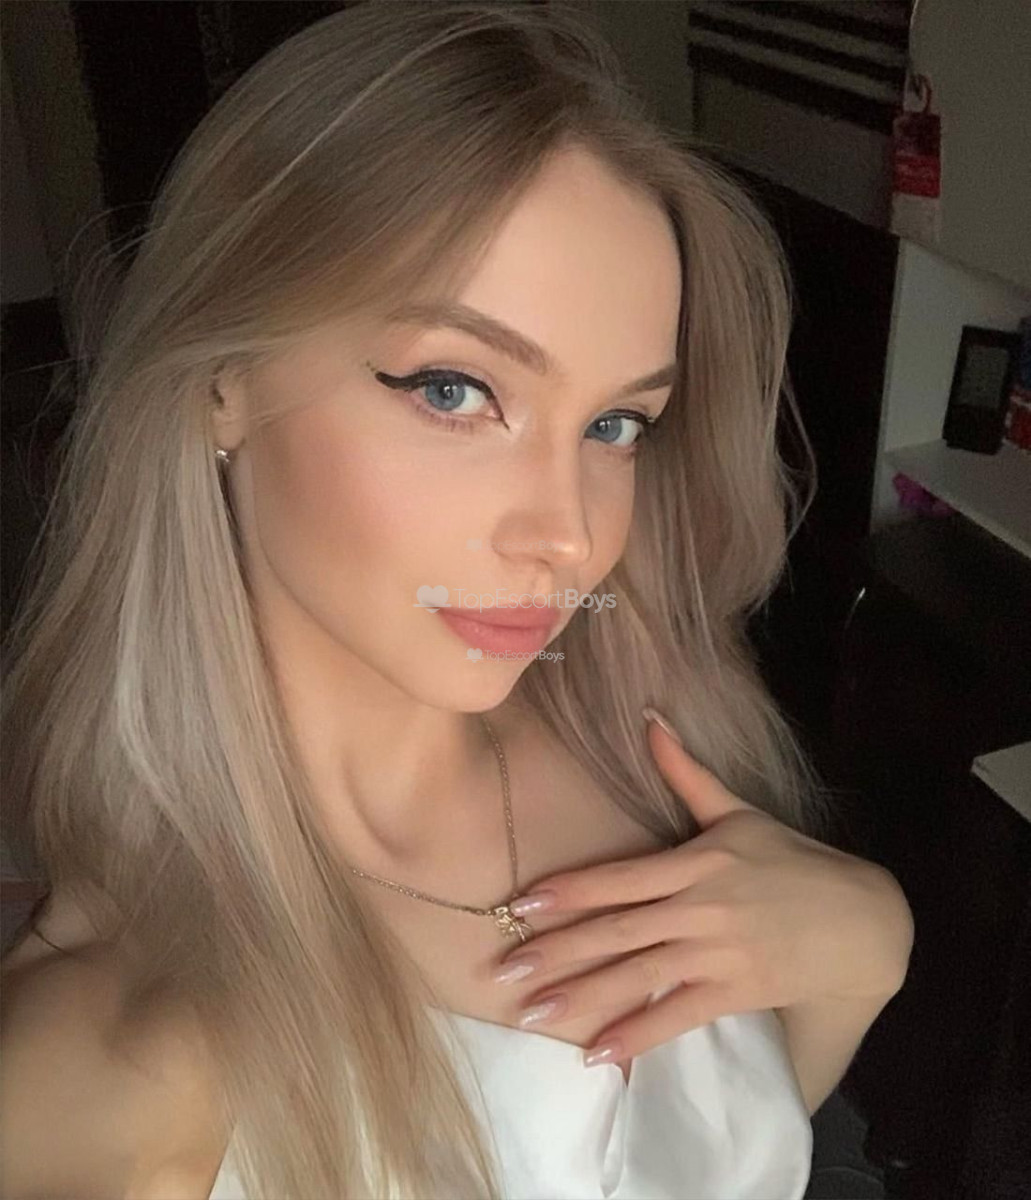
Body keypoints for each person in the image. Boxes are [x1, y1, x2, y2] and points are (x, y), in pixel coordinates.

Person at [0, 2, 849, 1197]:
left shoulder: (649, 742)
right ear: (222, 380)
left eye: (615, 424)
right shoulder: (108, 1071)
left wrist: (858, 955)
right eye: (455, 390)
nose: (567, 535)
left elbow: (734, 1148)